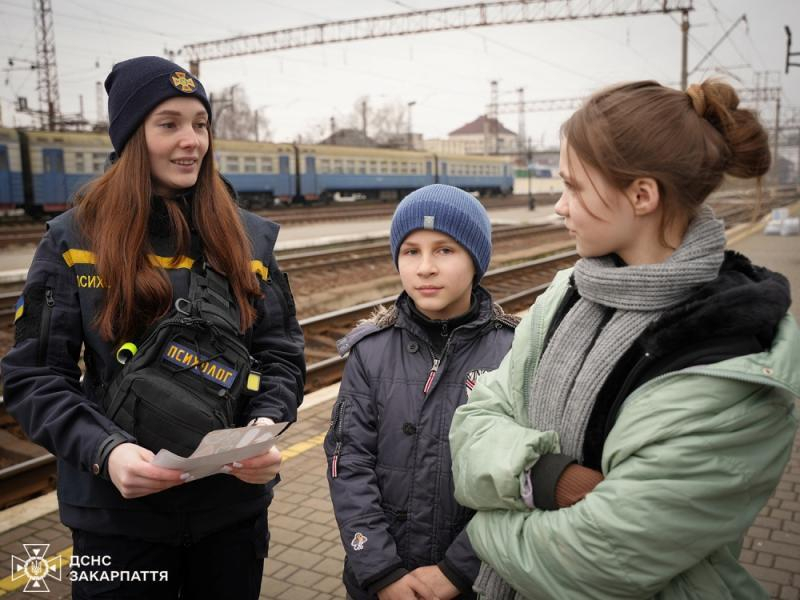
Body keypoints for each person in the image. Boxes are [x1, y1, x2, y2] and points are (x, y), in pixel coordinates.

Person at [449, 79, 800, 599]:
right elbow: (473, 423)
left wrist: (482, 526)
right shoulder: (566, 291)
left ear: (641, 195)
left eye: (574, 187)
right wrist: (553, 479)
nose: (559, 208)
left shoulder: (733, 359)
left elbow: (598, 561)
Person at [1, 56, 305, 599]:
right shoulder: (73, 238)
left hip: (230, 517)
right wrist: (107, 451)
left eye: (200, 123)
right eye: (169, 124)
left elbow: (281, 356)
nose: (191, 140)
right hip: (115, 523)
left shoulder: (249, 239)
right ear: (131, 136)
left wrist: (264, 427)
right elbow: (35, 376)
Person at [324, 184, 519, 600]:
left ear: (476, 259)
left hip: (476, 583)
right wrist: (380, 570)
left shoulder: (514, 352)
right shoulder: (369, 352)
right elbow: (348, 462)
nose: (425, 267)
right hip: (376, 581)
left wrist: (457, 569)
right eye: (411, 251)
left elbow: (517, 479)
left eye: (445, 250)